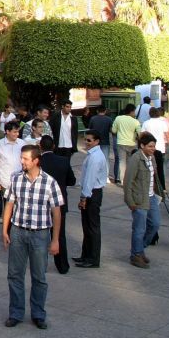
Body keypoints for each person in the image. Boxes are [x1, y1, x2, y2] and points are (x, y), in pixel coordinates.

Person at [2, 145, 64, 330]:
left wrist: (55, 239)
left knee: (39, 277)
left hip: (40, 234)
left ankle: (38, 314)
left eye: (25, 159)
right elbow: (9, 204)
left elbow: (57, 213)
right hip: (18, 232)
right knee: (14, 275)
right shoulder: (16, 179)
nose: (22, 161)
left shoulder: (49, 182)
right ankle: (16, 313)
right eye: (21, 158)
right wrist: (5, 230)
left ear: (36, 161)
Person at [123, 132, 164, 269]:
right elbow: (128, 181)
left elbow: (155, 177)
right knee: (139, 229)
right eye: (150, 146)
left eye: (154, 146)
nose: (153, 149)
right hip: (139, 199)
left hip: (151, 197)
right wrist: (130, 202)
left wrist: (160, 192)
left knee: (155, 224)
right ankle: (136, 255)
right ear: (142, 146)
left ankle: (140, 249)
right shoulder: (135, 159)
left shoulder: (152, 158)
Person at [39, 135, 76, 274]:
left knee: (41, 235)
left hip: (42, 202)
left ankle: (41, 265)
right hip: (59, 202)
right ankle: (62, 266)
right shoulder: (64, 161)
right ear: (54, 146)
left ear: (40, 147)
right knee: (59, 234)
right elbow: (72, 181)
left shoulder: (38, 162)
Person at [74, 129, 107, 268]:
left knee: (92, 227)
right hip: (90, 192)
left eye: (89, 140)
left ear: (96, 141)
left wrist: (84, 197)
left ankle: (93, 258)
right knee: (87, 226)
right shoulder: (93, 154)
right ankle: (86, 255)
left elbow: (90, 179)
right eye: (85, 139)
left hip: (92, 193)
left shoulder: (95, 157)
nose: (86, 142)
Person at [0, 121, 26, 211]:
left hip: (20, 181)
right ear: (7, 131)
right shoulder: (0, 143)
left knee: (19, 206)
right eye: (14, 132)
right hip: (5, 181)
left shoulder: (22, 143)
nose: (17, 134)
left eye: (18, 132)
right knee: (8, 206)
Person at [141, 107, 169, 190]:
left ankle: (150, 185)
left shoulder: (146, 123)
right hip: (160, 148)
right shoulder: (162, 123)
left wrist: (141, 147)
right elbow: (167, 136)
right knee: (160, 168)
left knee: (149, 167)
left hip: (149, 149)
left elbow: (141, 135)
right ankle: (162, 187)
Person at [111, 104, 140, 185]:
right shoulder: (136, 122)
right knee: (130, 162)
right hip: (132, 144)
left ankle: (123, 180)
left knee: (122, 162)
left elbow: (113, 131)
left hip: (121, 143)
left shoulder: (118, 118)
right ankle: (130, 179)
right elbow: (140, 134)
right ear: (132, 111)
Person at [88, 105, 113, 183]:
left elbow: (90, 130)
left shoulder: (93, 119)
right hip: (105, 141)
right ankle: (106, 177)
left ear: (97, 111)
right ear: (105, 111)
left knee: (93, 158)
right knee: (105, 160)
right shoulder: (109, 119)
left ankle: (94, 175)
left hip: (94, 142)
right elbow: (111, 130)